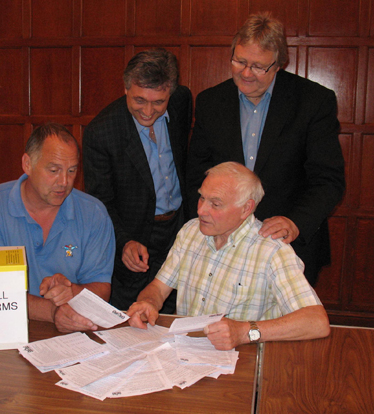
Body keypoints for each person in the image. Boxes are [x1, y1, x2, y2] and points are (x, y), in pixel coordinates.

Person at [186, 12, 345, 286]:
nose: (246, 73)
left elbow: (328, 180)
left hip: (287, 245)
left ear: (279, 64)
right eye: (239, 61)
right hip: (223, 244)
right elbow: (196, 175)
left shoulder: (313, 102)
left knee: (285, 327)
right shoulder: (211, 102)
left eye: (259, 66)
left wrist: (295, 222)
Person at [128, 162, 330, 350]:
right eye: (201, 197)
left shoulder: (271, 250)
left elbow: (317, 322)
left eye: (215, 204)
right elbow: (158, 288)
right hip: (185, 352)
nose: (201, 210)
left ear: (246, 209)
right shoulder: (190, 232)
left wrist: (244, 332)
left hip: (242, 361)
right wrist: (148, 303)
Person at [0, 122, 115, 332]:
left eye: (72, 171)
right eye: (54, 170)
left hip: (71, 330)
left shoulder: (93, 213)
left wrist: (70, 290)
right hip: (5, 327)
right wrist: (52, 311)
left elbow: (101, 289)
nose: (64, 182)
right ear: (27, 164)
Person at [83, 48, 192, 312]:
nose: (148, 111)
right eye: (139, 100)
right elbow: (101, 202)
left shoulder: (181, 101)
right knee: (131, 315)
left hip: (179, 228)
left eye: (158, 102)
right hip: (134, 237)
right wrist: (124, 242)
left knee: (176, 310)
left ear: (171, 93)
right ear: (126, 88)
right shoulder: (102, 133)